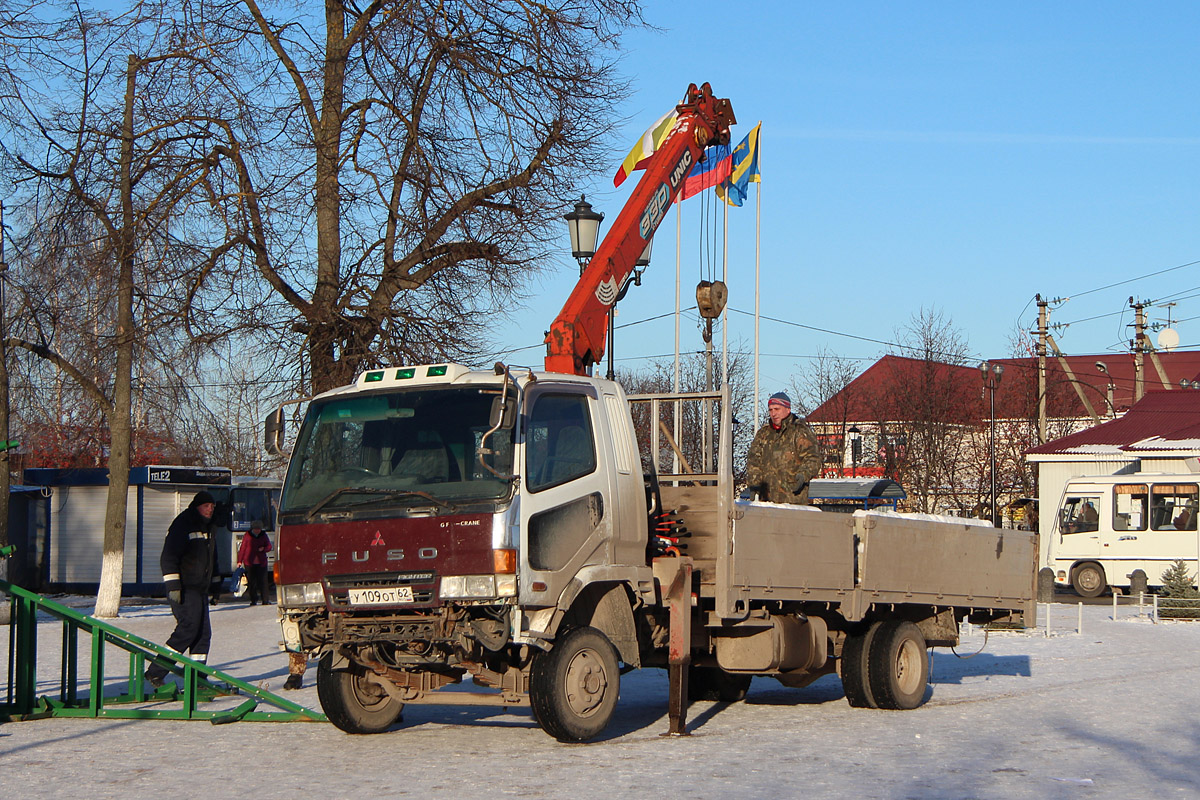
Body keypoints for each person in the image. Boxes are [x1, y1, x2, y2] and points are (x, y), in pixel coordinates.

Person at [146, 490, 227, 687]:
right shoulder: (183, 524)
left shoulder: (210, 528)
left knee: (203, 634)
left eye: (212, 507)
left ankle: (198, 677)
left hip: (200, 589)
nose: (210, 510)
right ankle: (156, 671)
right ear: (196, 507)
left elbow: (212, 560)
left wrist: (215, 587)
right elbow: (168, 556)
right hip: (184, 587)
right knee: (188, 628)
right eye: (206, 506)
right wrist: (173, 585)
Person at [745, 391, 824, 505]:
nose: (773, 413)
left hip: (793, 499)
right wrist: (754, 484)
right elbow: (754, 461)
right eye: (771, 410)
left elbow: (813, 458)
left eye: (777, 409)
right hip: (767, 501)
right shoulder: (763, 434)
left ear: (788, 409)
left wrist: (802, 476)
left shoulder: (800, 432)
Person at [238, 519, 274, 606]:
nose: (257, 531)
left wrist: (263, 549)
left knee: (263, 582)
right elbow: (242, 549)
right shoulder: (247, 536)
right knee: (251, 582)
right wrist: (239, 561)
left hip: (261, 562)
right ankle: (253, 600)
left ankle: (265, 600)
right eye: (255, 529)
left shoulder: (263, 535)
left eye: (259, 529)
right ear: (252, 529)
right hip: (249, 563)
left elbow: (269, 546)